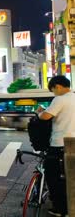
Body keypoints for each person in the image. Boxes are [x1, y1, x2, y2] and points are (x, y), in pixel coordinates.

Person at [37, 75, 75, 217]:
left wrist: (40, 112)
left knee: (54, 177)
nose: (54, 93)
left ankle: (60, 209)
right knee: (71, 176)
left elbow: (46, 116)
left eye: (53, 90)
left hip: (60, 144)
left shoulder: (60, 99)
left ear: (58, 86)